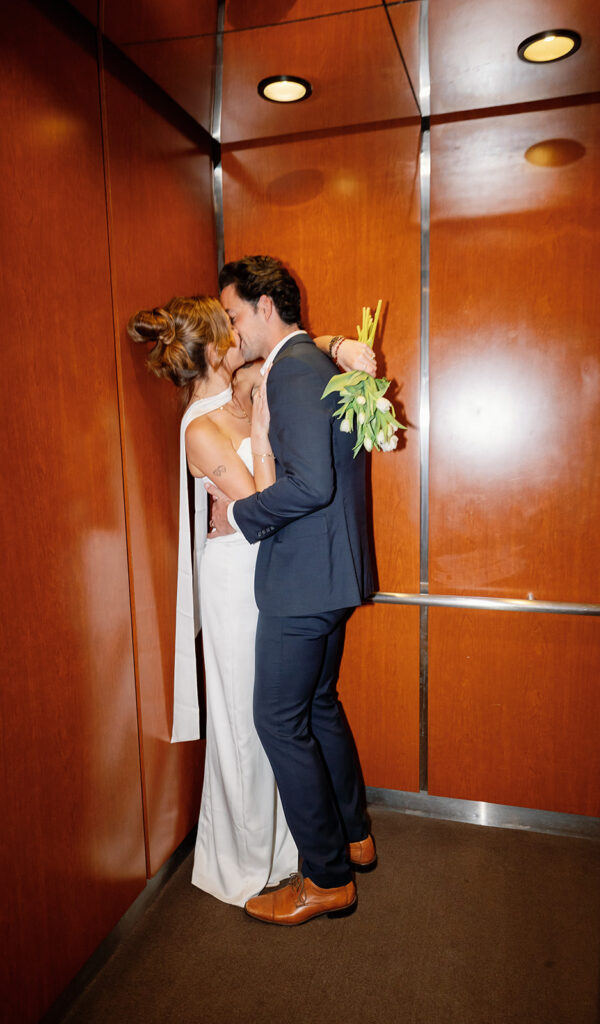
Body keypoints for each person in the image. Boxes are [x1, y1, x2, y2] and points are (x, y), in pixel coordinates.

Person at [127, 294, 373, 907]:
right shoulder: (200, 426)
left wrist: (338, 344)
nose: (242, 331)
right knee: (248, 719)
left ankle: (301, 845)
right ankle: (247, 853)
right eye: (231, 326)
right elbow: (262, 504)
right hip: (238, 579)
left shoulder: (243, 382)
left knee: (292, 713)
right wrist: (262, 438)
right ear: (216, 347)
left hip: (278, 572)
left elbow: (296, 349)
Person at [207, 256, 377, 926]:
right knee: (317, 705)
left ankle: (327, 877)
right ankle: (354, 836)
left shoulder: (298, 370)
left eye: (233, 314)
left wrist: (241, 516)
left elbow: (311, 486)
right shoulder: (313, 361)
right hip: (329, 573)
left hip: (304, 581)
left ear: (264, 308)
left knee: (279, 720)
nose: (231, 329)